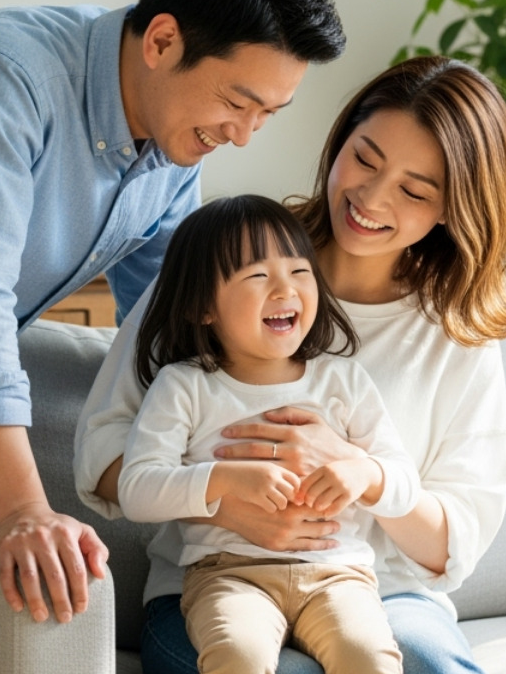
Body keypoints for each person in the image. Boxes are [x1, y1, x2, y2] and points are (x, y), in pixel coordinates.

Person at [0, 0, 346, 674]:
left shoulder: (173, 157)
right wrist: (25, 512)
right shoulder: (1, 79)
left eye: (269, 115)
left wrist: (255, 467)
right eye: (238, 101)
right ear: (161, 40)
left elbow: (185, 331)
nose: (245, 136)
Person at [77, 55, 506, 674]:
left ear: (453, 207)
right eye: (365, 158)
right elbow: (102, 451)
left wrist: (357, 469)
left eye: (413, 190)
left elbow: (453, 542)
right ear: (340, 138)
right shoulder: (227, 260)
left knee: (424, 663)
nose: (371, 197)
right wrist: (218, 500)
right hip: (215, 581)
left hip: (381, 590)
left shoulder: (454, 334)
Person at [120, 195, 416, 674]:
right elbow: (137, 491)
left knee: (370, 658)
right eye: (258, 276)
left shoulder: (343, 381)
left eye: (300, 272)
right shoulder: (185, 385)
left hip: (339, 576)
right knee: (237, 656)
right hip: (229, 576)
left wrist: (363, 473)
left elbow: (404, 483)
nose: (285, 290)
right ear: (202, 306)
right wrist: (225, 481)